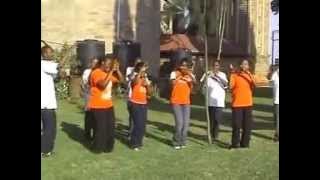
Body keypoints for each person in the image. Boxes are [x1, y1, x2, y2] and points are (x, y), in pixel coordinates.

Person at [87, 57, 124, 153]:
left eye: (111, 64)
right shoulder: (96, 73)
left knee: (110, 127)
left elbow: (121, 81)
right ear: (102, 62)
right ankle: (98, 148)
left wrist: (118, 70)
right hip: (97, 106)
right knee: (101, 128)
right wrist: (111, 71)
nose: (110, 65)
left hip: (108, 105)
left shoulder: (106, 74)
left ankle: (108, 147)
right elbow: (102, 85)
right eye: (109, 63)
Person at [229, 59, 256, 149]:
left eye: (247, 64)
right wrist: (232, 73)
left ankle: (245, 144)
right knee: (237, 125)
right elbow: (230, 86)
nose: (245, 66)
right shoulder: (234, 75)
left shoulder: (250, 75)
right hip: (237, 104)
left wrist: (249, 74)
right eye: (244, 64)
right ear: (240, 65)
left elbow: (255, 84)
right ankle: (235, 144)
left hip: (248, 103)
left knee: (247, 125)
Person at [170, 59, 196, 150]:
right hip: (176, 101)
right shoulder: (174, 73)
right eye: (182, 65)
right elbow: (172, 83)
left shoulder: (189, 75)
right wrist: (180, 75)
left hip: (186, 102)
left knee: (186, 124)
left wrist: (189, 75)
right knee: (179, 123)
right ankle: (176, 141)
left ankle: (183, 141)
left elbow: (194, 84)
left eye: (185, 65)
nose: (184, 67)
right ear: (179, 66)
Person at [200, 61, 228, 143]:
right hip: (210, 101)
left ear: (219, 66)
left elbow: (226, 84)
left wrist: (216, 76)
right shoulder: (207, 74)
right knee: (210, 120)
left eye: (217, 65)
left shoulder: (222, 75)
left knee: (217, 120)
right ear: (212, 66)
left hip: (219, 101)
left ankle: (215, 136)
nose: (216, 67)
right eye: (214, 65)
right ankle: (210, 136)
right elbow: (202, 85)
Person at [129, 62, 152, 151]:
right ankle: (134, 143)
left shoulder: (145, 78)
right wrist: (139, 74)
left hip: (143, 103)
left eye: (145, 68)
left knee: (142, 125)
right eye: (143, 68)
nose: (145, 70)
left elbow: (150, 93)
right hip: (134, 102)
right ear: (139, 68)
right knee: (137, 124)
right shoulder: (134, 76)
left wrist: (147, 85)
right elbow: (133, 83)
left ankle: (139, 142)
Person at [41, 44, 59, 157]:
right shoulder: (44, 64)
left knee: (48, 129)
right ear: (43, 54)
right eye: (49, 52)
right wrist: (71, 50)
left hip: (46, 104)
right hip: (46, 105)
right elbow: (59, 66)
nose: (51, 54)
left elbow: (56, 75)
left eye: (52, 52)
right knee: (49, 129)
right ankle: (45, 151)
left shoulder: (46, 66)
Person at [81, 57, 99, 140]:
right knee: (88, 114)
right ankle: (87, 134)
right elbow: (85, 84)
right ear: (90, 63)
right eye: (93, 62)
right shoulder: (87, 71)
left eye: (96, 63)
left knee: (97, 115)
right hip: (89, 95)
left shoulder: (100, 72)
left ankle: (96, 134)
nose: (95, 64)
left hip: (98, 96)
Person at [126, 58, 142, 137]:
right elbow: (130, 78)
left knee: (139, 116)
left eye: (139, 64)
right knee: (132, 115)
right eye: (137, 63)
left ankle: (137, 132)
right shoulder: (130, 69)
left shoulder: (142, 72)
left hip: (139, 97)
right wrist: (135, 69)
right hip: (130, 96)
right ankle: (131, 133)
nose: (138, 65)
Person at [268, 65, 279, 142]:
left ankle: (277, 136)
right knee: (276, 119)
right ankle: (277, 134)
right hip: (277, 101)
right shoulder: (275, 74)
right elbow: (271, 84)